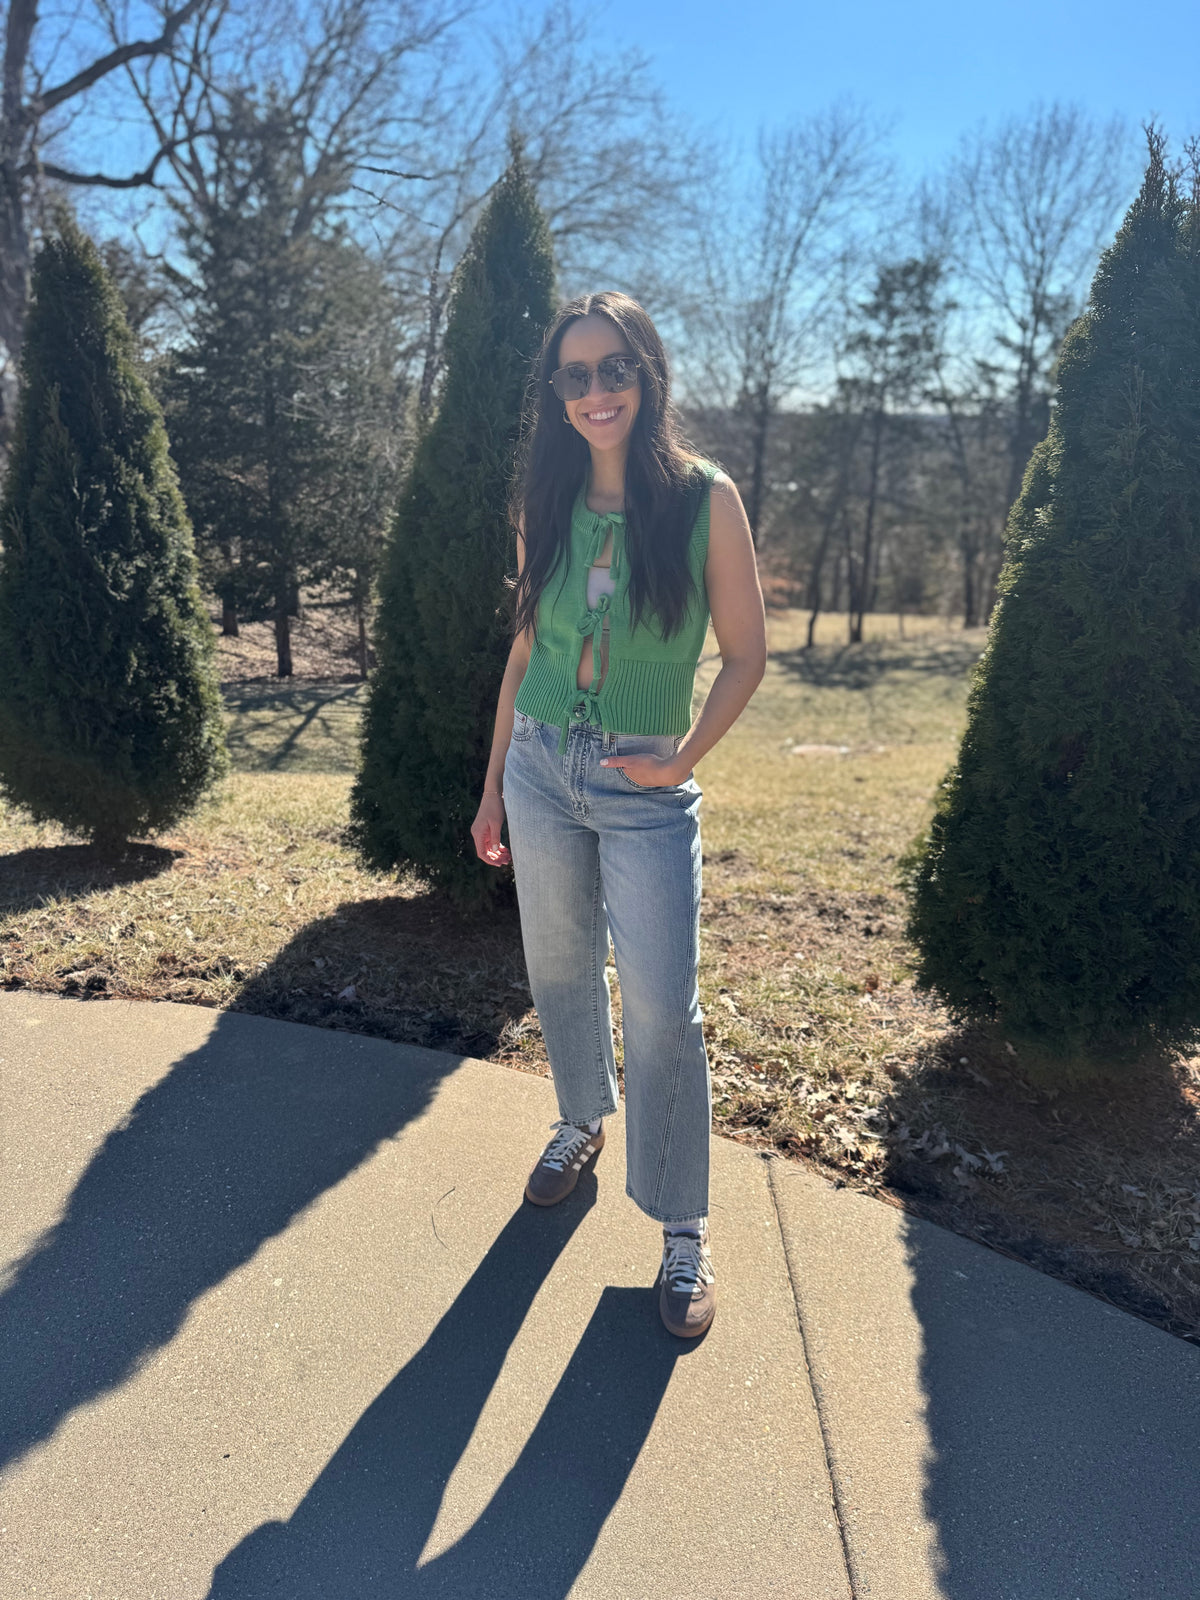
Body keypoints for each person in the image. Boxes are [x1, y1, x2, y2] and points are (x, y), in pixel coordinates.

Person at [470, 291, 766, 1337]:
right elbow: (524, 649)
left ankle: (683, 1228)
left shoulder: (702, 499)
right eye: (574, 376)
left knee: (662, 1006)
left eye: (614, 370)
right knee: (556, 965)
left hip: (644, 788)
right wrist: (493, 777)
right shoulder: (543, 499)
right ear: (556, 394)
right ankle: (578, 1118)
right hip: (542, 768)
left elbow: (746, 654)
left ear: (648, 374)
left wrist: (682, 754)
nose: (595, 392)